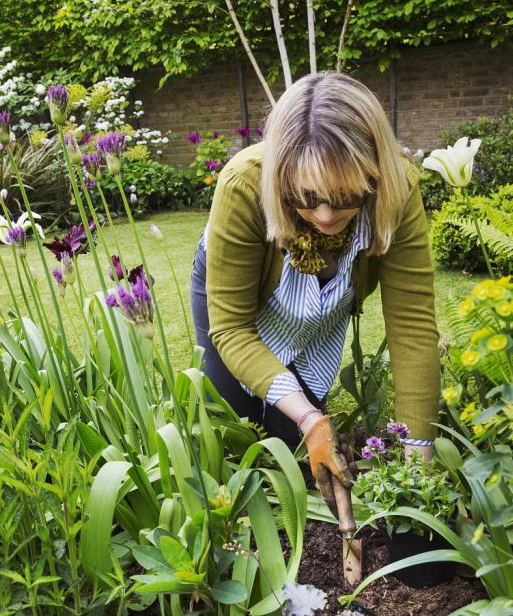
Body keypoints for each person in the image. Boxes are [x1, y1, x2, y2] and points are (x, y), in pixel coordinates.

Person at [189, 71, 440, 510]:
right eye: (306, 195)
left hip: (322, 307)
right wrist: (308, 415)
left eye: (346, 196)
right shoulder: (243, 185)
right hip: (240, 300)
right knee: (236, 436)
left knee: (290, 449)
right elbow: (230, 328)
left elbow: (413, 327)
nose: (325, 215)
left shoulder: (398, 190)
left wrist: (417, 464)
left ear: (374, 173)